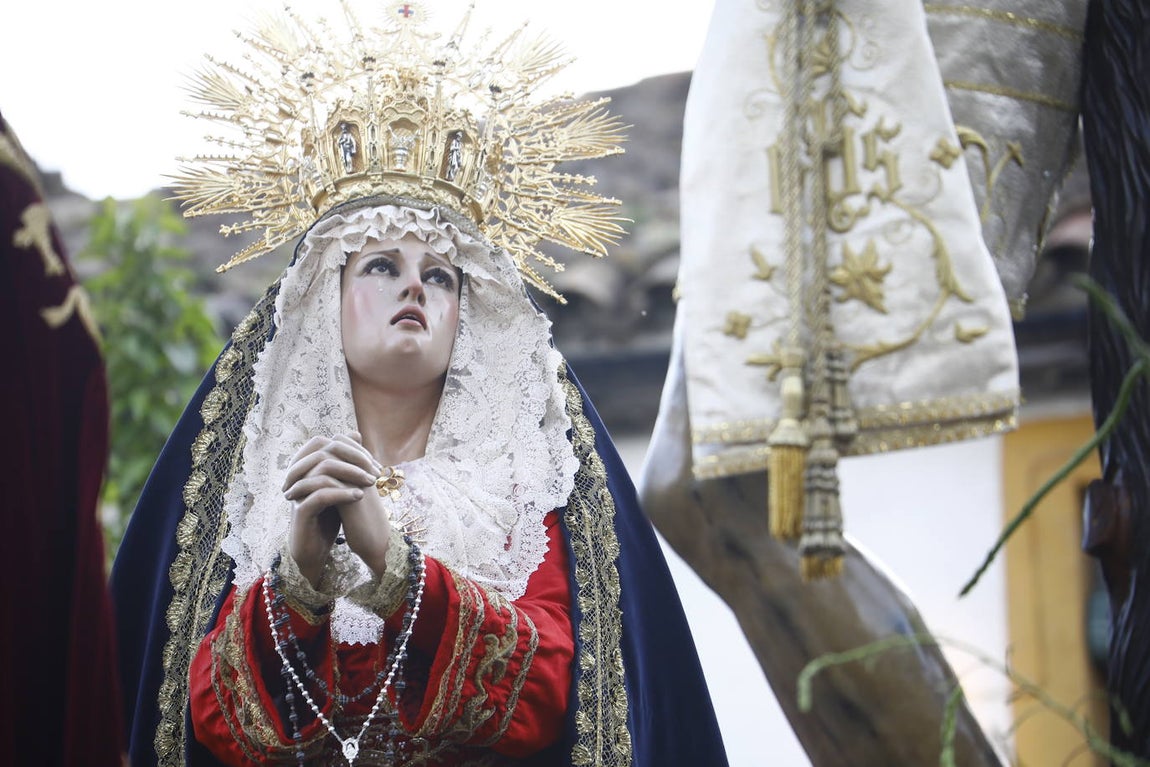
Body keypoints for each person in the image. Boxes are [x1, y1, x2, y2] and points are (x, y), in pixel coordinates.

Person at [110, 4, 728, 766]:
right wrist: (298, 577)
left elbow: (542, 696)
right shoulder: (255, 481)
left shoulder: (522, 481)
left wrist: (396, 565)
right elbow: (211, 720)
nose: (417, 289)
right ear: (321, 299)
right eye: (382, 266)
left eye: (440, 274)